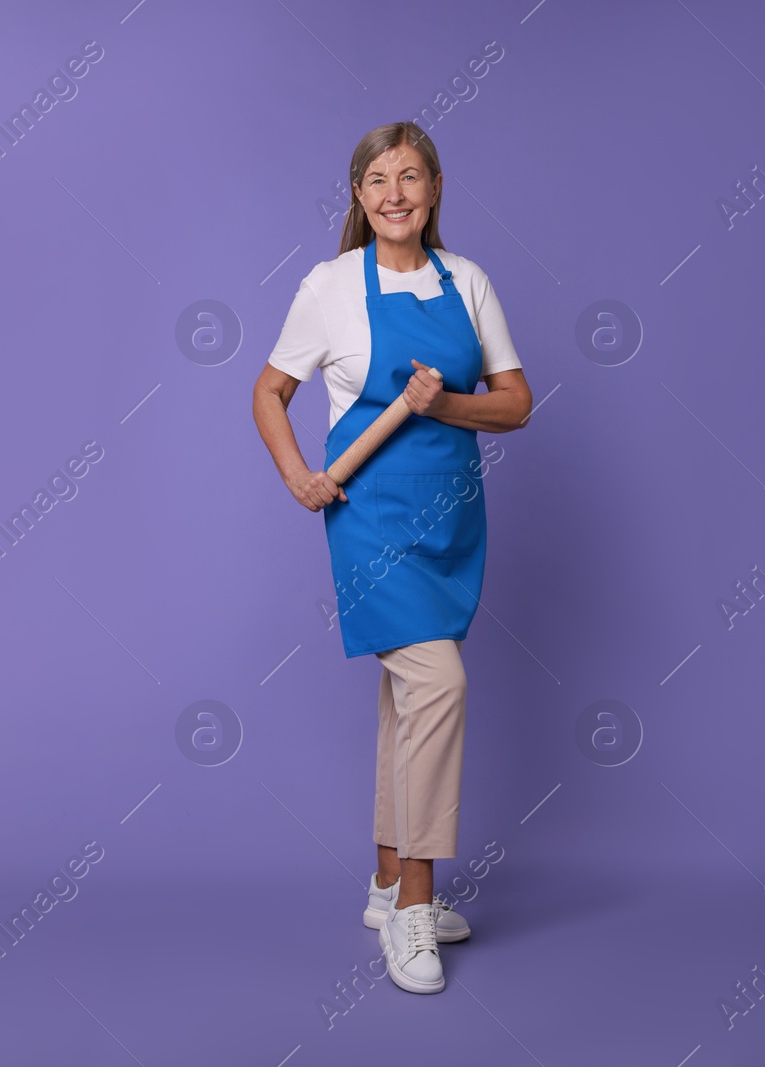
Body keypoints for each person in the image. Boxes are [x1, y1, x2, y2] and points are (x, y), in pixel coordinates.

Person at [252, 122, 532, 994]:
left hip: (451, 520)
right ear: (359, 196)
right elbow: (270, 391)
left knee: (409, 697)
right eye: (378, 180)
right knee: (438, 683)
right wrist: (299, 472)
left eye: (410, 177)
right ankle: (415, 905)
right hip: (369, 516)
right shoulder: (331, 285)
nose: (395, 193)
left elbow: (516, 404)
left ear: (436, 188)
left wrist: (443, 401)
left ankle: (381, 882)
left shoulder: (470, 281)